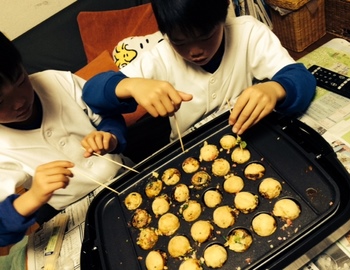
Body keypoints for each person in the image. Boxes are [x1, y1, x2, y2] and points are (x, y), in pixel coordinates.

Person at [82, 0, 316, 142]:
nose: (195, 52)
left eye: (205, 37)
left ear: (225, 8)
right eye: (180, 42)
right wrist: (130, 85)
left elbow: (301, 78)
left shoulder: (249, 33)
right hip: (187, 148)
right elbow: (91, 93)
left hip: (247, 132)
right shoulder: (160, 57)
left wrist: (275, 89)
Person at [0, 32, 135, 247]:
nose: (19, 102)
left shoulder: (55, 80)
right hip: (79, 215)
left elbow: (108, 114)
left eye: (20, 81)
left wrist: (111, 137)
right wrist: (32, 197)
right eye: (0, 102)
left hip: (126, 177)